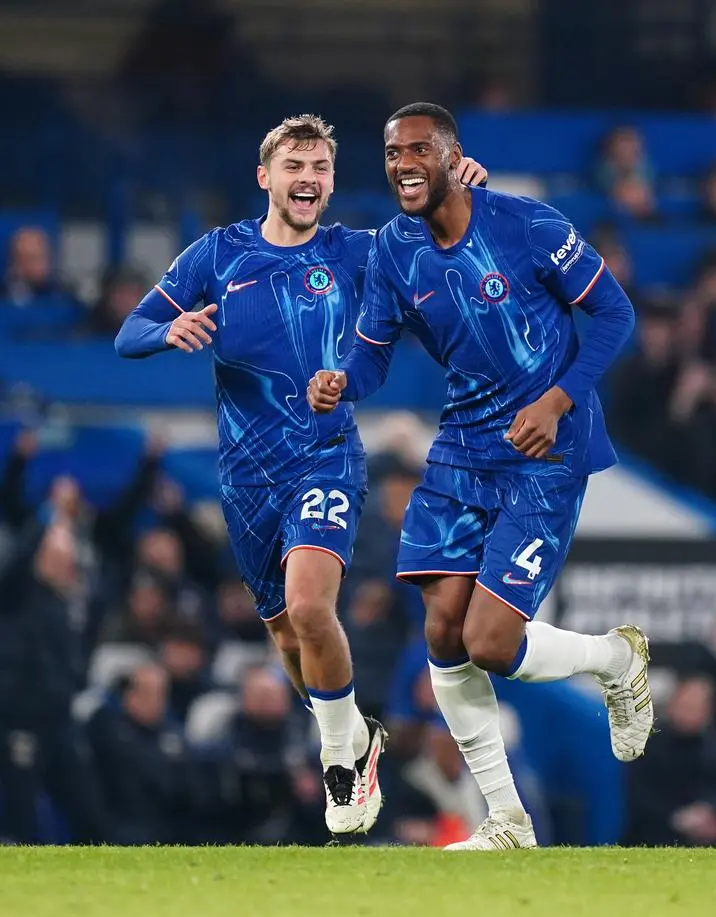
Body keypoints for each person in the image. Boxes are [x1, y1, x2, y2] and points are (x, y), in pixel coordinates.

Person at [114, 113, 489, 836]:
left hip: (325, 455)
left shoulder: (353, 251)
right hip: (246, 480)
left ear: (331, 180)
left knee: (312, 609)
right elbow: (131, 333)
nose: (308, 179)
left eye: (320, 168)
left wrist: (464, 185)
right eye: (295, 166)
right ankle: (355, 738)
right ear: (267, 177)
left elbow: (443, 230)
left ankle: (342, 758)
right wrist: (169, 330)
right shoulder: (217, 254)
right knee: (288, 639)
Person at [307, 102, 651, 851]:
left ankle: (617, 658)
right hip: (466, 443)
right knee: (440, 627)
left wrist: (558, 401)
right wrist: (343, 379)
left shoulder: (527, 225)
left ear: (453, 156)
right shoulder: (394, 252)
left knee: (492, 640)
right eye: (393, 150)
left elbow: (617, 315)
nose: (402, 162)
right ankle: (507, 819)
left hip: (548, 445)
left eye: (420, 149)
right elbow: (372, 351)